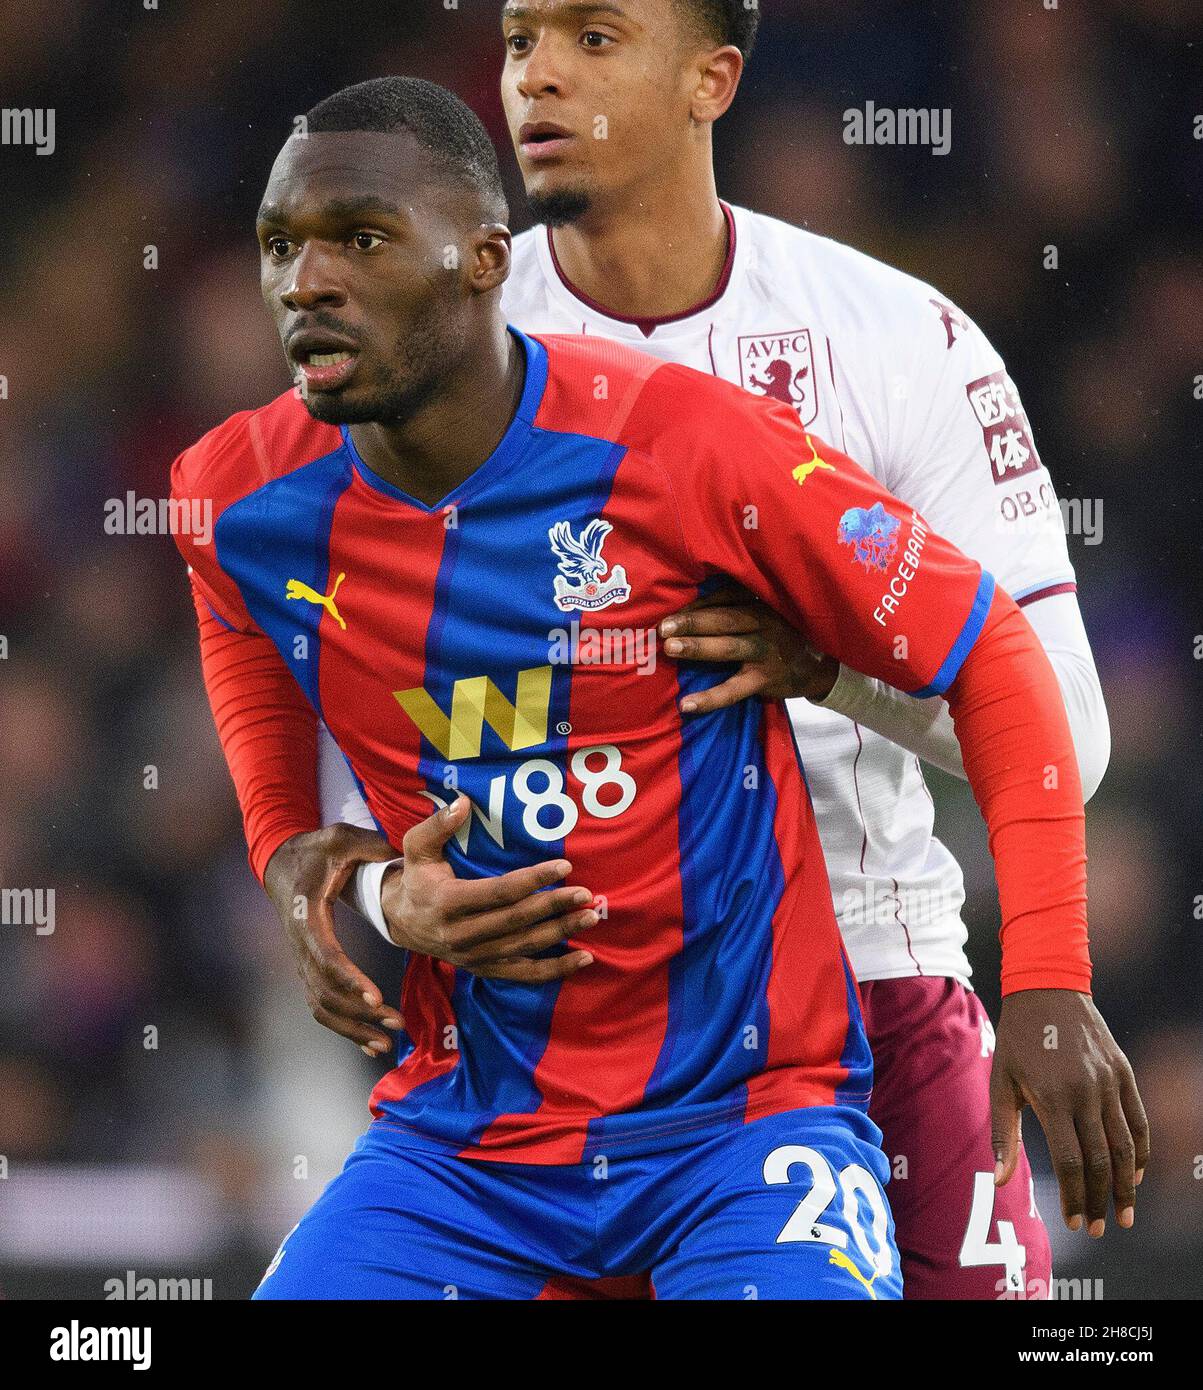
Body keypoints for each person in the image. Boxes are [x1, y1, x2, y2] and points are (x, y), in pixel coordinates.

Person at [172, 75, 1136, 1300]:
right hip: (469, 1139)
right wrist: (299, 851)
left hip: (749, 1118)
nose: (306, 281)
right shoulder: (243, 492)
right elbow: (231, 603)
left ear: (480, 262)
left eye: (357, 241)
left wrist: (1049, 979)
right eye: (279, 248)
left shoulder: (684, 438)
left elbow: (1002, 658)